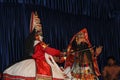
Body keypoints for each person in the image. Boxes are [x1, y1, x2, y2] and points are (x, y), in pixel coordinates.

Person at [3, 12, 64, 80]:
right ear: (34, 28)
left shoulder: (38, 40)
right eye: (38, 25)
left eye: (40, 24)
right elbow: (47, 49)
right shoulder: (37, 40)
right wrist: (60, 53)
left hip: (40, 61)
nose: (40, 26)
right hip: (39, 62)